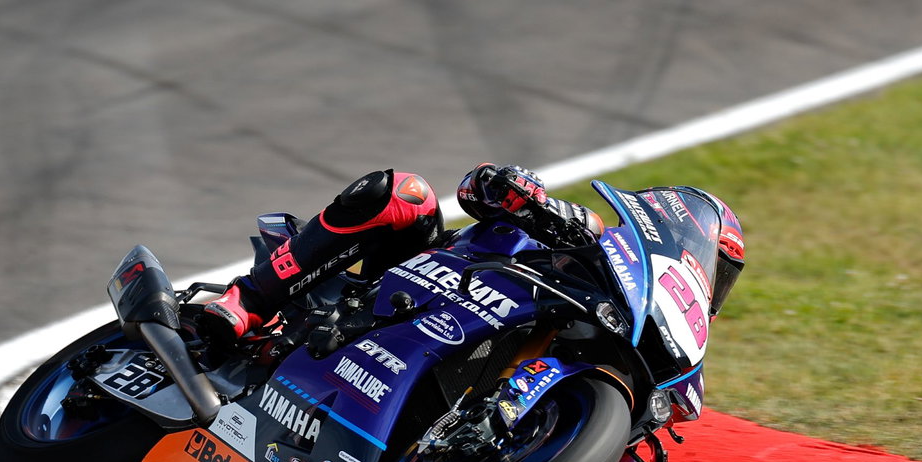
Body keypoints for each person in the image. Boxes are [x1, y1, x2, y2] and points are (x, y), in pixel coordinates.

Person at [199, 163, 745, 342]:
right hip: (423, 284)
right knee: (405, 192)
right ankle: (248, 302)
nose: (706, 276)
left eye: (721, 273)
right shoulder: (594, 233)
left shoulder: (655, 334)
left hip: (480, 346)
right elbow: (474, 189)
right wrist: (515, 190)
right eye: (711, 262)